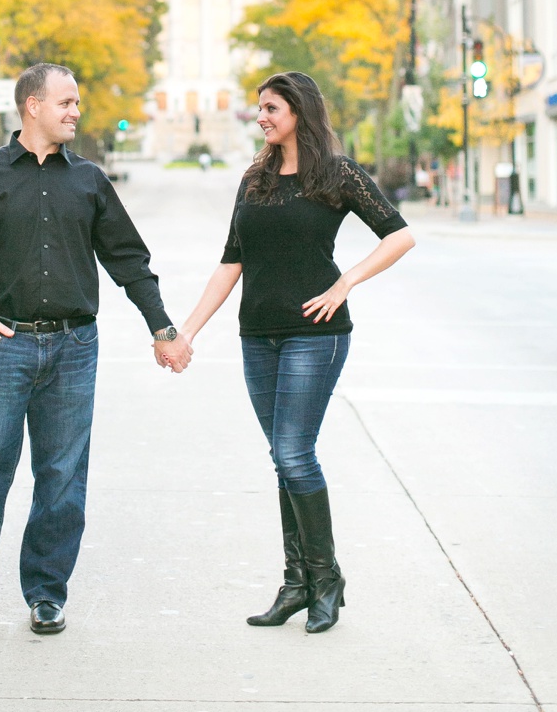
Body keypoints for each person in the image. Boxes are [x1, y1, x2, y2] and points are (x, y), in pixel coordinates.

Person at [0, 63, 189, 638]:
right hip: (3, 346)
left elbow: (128, 260)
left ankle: (47, 592)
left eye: (76, 103)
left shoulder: (89, 180)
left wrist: (163, 328)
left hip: (74, 347)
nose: (75, 112)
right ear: (31, 107)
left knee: (62, 476)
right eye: (65, 102)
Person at [174, 71, 415, 633]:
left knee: (293, 452)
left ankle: (325, 578)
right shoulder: (254, 179)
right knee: (284, 459)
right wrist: (187, 332)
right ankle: (297, 583)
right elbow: (231, 262)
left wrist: (345, 282)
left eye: (271, 108)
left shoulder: (335, 174)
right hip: (258, 336)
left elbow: (399, 235)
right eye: (259, 108)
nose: (261, 117)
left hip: (316, 335)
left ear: (300, 113)